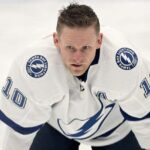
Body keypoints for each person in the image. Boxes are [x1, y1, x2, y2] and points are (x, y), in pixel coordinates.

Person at [0, 3, 150, 150]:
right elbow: (17, 135)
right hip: (56, 128)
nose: (77, 58)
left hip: (115, 130)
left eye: (85, 48)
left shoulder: (125, 64)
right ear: (56, 40)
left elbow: (146, 123)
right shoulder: (34, 68)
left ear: (99, 41)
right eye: (70, 48)